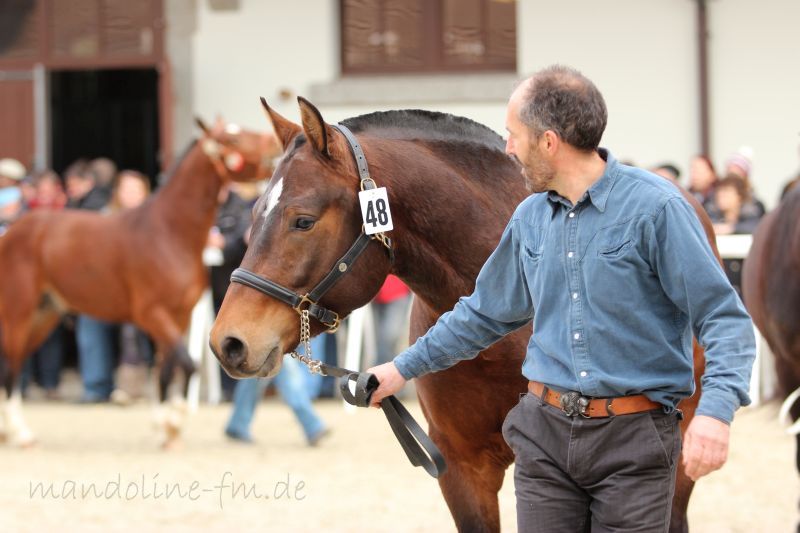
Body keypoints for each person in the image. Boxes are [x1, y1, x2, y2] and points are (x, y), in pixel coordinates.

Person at [367, 65, 756, 532]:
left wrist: (714, 413)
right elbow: (482, 314)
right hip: (545, 438)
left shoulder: (658, 208)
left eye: (514, 135)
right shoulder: (530, 217)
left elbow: (724, 318)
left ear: (549, 142)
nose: (508, 148)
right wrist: (397, 370)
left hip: (634, 442)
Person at [64, 159, 116, 402]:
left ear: (89, 182)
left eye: (74, 184)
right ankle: (98, 385)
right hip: (94, 280)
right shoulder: (83, 204)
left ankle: (96, 387)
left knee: (91, 331)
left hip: (96, 281)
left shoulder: (93, 207)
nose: (70, 189)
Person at [108, 170, 155, 405]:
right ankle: (127, 386)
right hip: (118, 290)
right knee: (128, 333)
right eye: (127, 190)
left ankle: (156, 383)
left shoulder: (157, 220)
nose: (131, 195)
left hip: (151, 291)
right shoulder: (108, 219)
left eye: (136, 190)